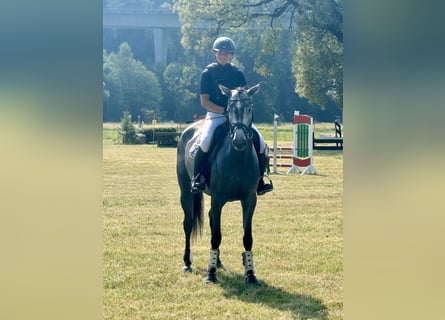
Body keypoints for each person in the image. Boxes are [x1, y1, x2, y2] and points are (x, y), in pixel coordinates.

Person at [191, 36, 273, 196]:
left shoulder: (238, 73)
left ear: (231, 55)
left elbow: (245, 97)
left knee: (261, 142)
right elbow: (204, 102)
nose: (223, 55)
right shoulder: (207, 73)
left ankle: (261, 181)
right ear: (215, 53)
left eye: (227, 53)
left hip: (239, 117)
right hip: (216, 115)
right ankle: (197, 178)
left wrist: (236, 114)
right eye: (221, 52)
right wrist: (224, 111)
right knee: (206, 141)